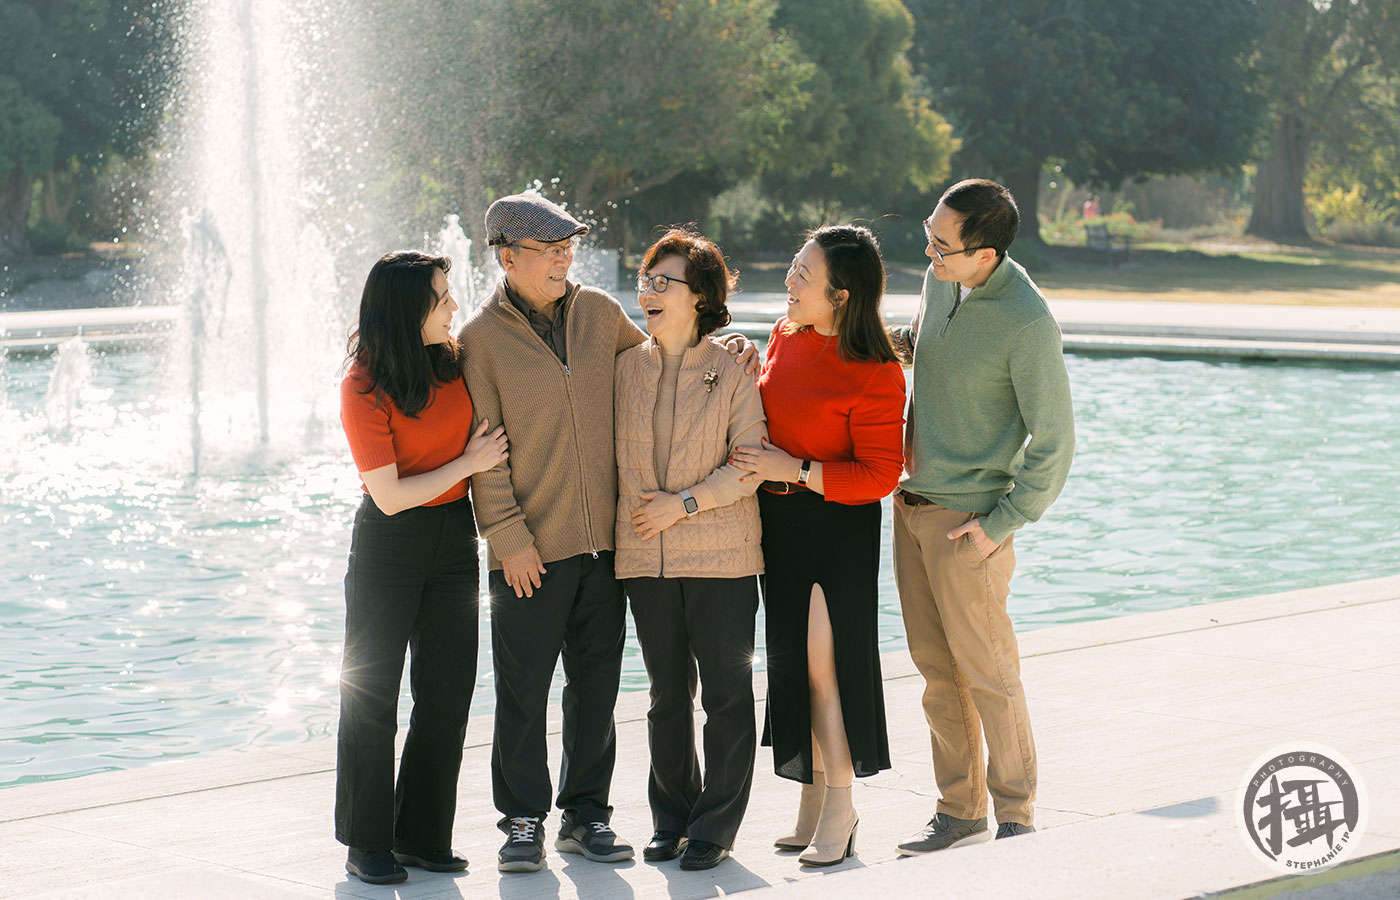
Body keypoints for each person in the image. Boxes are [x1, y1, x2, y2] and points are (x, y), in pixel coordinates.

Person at [457, 192, 757, 874]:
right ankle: (523, 819)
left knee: (595, 689)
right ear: (508, 258)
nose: (566, 258)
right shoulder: (480, 342)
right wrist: (508, 540)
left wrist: (727, 344)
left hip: (609, 551)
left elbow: (665, 356)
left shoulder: (599, 314)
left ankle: (586, 815)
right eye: (550, 250)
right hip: (530, 549)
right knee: (523, 688)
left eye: (569, 247)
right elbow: (485, 453)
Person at [889, 178, 1074, 855]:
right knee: (938, 674)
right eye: (928, 235)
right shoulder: (944, 281)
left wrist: (1002, 522)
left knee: (989, 674)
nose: (928, 253)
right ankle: (958, 811)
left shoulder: (1026, 322)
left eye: (942, 246)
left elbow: (1054, 443)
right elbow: (928, 344)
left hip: (968, 522)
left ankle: (1017, 815)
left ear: (986, 255)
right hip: (910, 509)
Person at [731, 225, 905, 867]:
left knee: (823, 669)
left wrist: (793, 470)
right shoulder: (784, 335)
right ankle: (808, 798)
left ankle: (842, 805)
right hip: (777, 527)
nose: (789, 280)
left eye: (802, 274)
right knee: (792, 666)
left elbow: (881, 475)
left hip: (836, 527)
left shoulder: (877, 372)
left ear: (840, 294)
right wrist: (744, 366)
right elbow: (772, 407)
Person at [335, 250, 509, 885]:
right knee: (372, 696)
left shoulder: (453, 360)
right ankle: (367, 842)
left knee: (446, 692)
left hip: (453, 537)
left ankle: (422, 835)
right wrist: (470, 464)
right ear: (408, 308)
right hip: (389, 540)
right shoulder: (362, 385)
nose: (453, 307)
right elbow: (389, 495)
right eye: (441, 298)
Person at [614, 229, 767, 872]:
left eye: (662, 282)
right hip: (644, 559)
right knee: (665, 695)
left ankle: (715, 825)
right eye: (645, 280)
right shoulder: (624, 366)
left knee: (727, 695)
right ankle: (671, 817)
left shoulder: (733, 366)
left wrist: (684, 504)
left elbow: (751, 464)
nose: (647, 292)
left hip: (723, 557)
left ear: (700, 296)